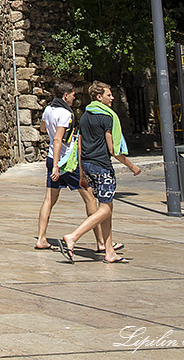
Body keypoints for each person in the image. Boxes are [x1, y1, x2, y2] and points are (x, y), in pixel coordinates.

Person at [59, 81, 141, 263]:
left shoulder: (85, 115)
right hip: (102, 166)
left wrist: (81, 172)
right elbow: (113, 150)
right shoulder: (107, 118)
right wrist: (131, 166)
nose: (112, 98)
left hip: (87, 165)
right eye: (108, 95)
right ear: (99, 97)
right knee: (105, 209)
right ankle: (73, 236)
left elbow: (79, 146)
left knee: (107, 208)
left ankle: (109, 251)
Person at [34, 81, 108, 253]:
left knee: (49, 200)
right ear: (65, 95)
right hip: (67, 161)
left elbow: (43, 129)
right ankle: (101, 242)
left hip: (52, 158)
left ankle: (41, 238)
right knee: (90, 199)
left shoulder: (49, 110)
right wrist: (57, 167)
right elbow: (58, 139)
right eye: (73, 94)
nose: (75, 97)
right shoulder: (66, 114)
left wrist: (54, 164)